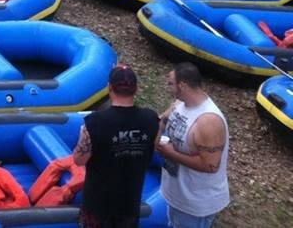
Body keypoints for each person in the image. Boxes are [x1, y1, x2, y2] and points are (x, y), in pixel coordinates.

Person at [73, 64, 160, 227]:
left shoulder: (94, 122)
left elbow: (79, 160)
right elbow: (152, 150)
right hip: (130, 203)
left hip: (97, 204)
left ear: (109, 88)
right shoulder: (150, 119)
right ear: (136, 89)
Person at [157, 62, 230, 228]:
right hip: (178, 195)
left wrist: (170, 153)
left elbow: (210, 165)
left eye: (170, 83)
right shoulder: (180, 104)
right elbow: (162, 120)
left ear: (182, 85)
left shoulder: (209, 122)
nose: (168, 87)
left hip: (196, 205)